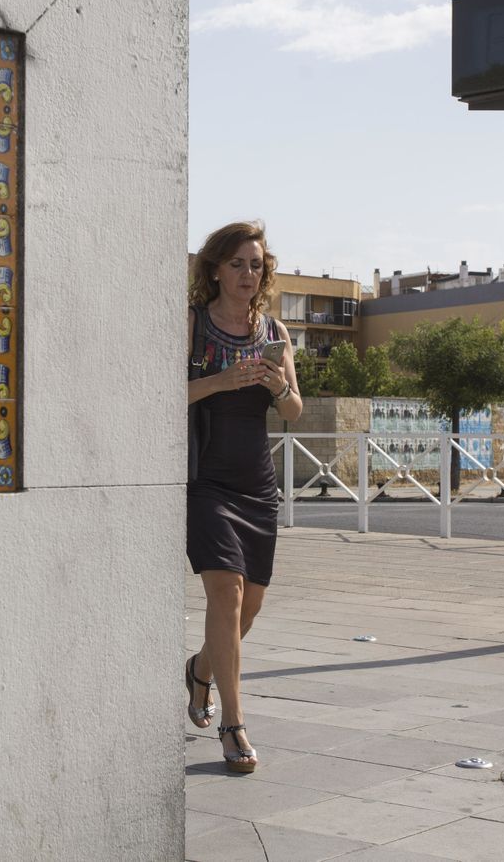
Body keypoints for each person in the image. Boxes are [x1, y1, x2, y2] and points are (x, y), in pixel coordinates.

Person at [184, 221, 302, 773]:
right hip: (206, 480)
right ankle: (234, 725)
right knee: (226, 595)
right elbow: (164, 389)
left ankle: (201, 668)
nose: (247, 274)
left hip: (258, 485)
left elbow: (294, 411)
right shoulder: (193, 325)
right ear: (215, 268)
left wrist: (277, 383)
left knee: (249, 605)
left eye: (255, 265)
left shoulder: (274, 331)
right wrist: (222, 381)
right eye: (237, 264)